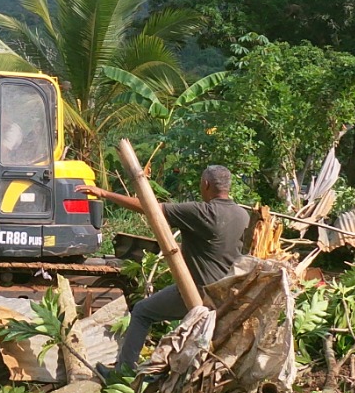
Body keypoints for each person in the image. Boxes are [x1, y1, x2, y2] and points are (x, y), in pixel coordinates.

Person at [82, 164, 251, 382]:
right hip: (227, 292)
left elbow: (150, 207)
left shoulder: (203, 211)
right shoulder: (242, 215)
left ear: (206, 184)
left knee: (143, 311)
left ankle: (122, 373)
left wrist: (104, 193)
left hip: (198, 291)